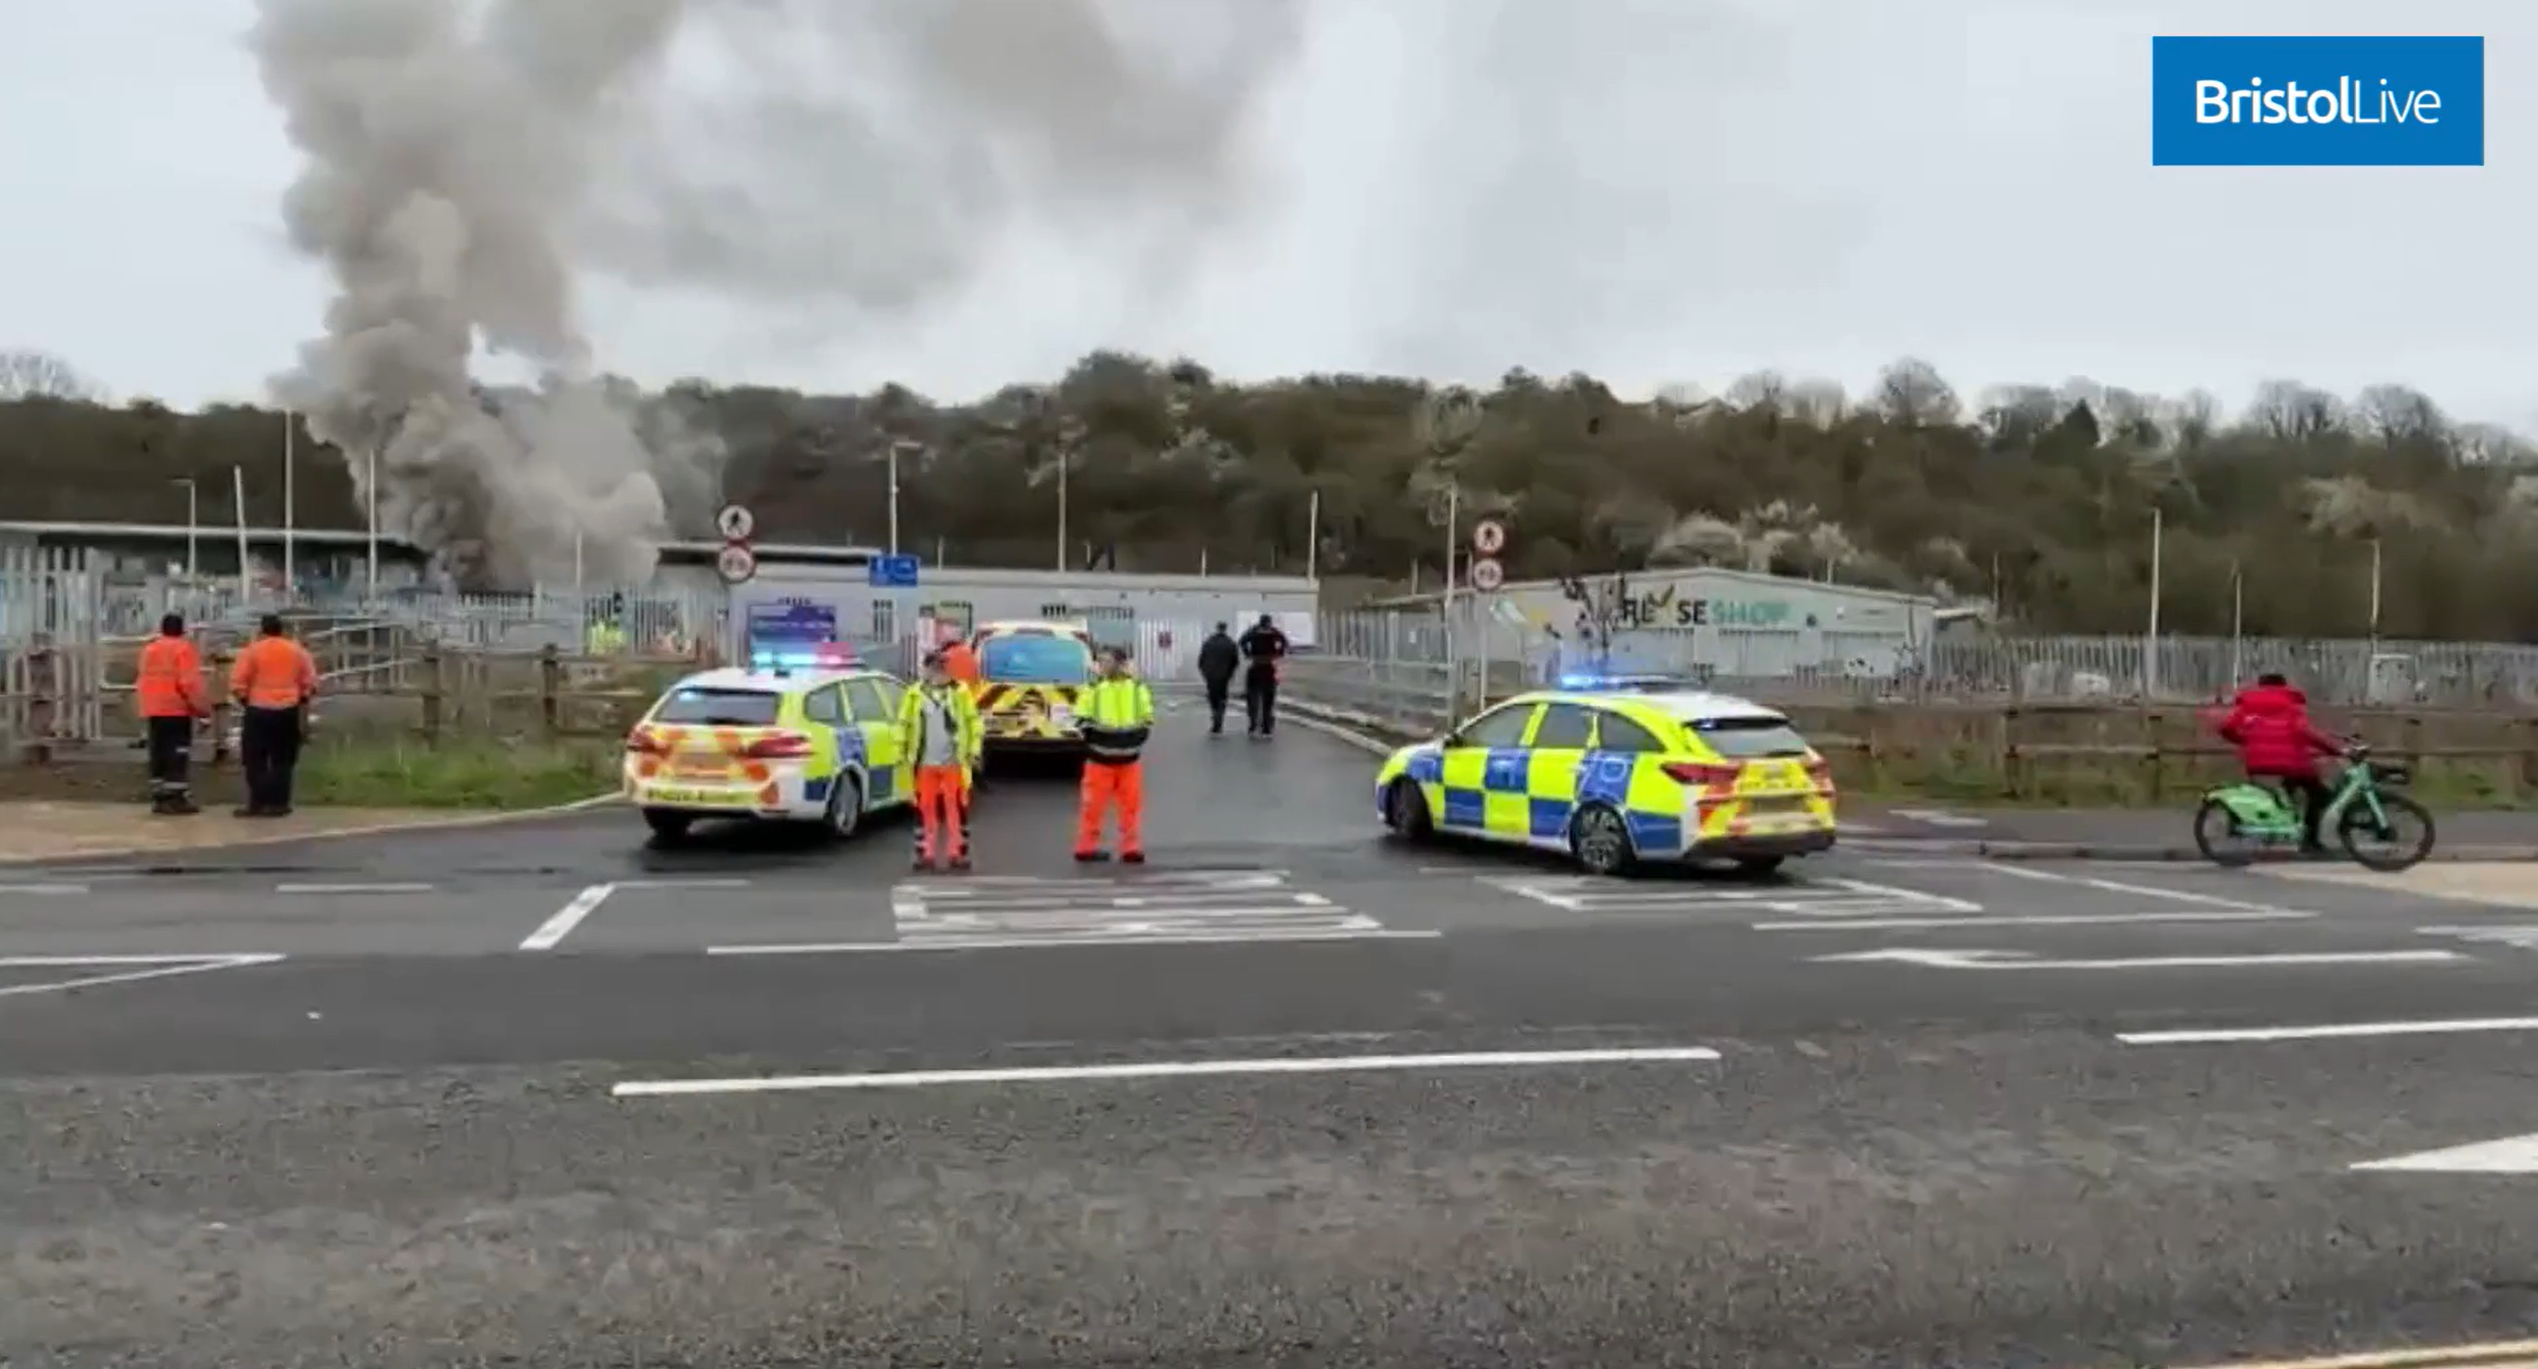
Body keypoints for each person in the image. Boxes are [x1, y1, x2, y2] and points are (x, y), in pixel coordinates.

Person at [2216, 671, 2345, 853]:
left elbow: (2225, 727)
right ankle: (2310, 839)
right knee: (2319, 794)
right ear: (2284, 685)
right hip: (2289, 763)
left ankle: (2276, 827)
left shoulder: (2249, 703)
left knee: (2275, 795)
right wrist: (2334, 749)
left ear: (2260, 685)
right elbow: (2306, 732)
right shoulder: (2291, 704)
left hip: (2256, 761)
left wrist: (2245, 740)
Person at [897, 648, 983, 871]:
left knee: (955, 808)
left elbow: (974, 722)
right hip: (924, 761)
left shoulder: (959, 692)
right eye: (934, 666)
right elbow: (903, 724)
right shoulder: (915, 694)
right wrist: (901, 750)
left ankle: (957, 853)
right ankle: (926, 852)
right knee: (926, 809)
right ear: (926, 669)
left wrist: (974, 750)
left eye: (942, 666)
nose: (938, 671)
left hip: (953, 761)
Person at [230, 613, 318, 818]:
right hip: (287, 710)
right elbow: (310, 681)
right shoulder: (297, 651)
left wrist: (245, 700)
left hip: (258, 709)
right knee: (283, 759)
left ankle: (257, 803)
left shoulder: (252, 652)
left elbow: (237, 681)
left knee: (255, 759)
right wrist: (302, 699)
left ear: (262, 630)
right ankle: (279, 803)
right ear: (282, 629)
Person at [1074, 646, 1155, 863]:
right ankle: (1086, 847)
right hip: (1100, 759)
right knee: (1093, 806)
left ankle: (1131, 847)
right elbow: (1081, 718)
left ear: (1120, 664)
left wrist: (1136, 735)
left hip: (1128, 760)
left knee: (1130, 807)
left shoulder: (1136, 688)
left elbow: (1147, 716)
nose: (1101, 665)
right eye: (1099, 661)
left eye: (1106, 661)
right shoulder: (1093, 688)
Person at [135, 612, 209, 815]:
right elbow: (188, 683)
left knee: (158, 752)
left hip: (152, 707)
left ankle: (159, 795)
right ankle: (175, 798)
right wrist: (202, 710)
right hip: (175, 708)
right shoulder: (184, 649)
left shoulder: (150, 649)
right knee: (177, 752)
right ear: (182, 630)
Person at [1236, 612, 1290, 738]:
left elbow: (1242, 641)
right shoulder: (1274, 632)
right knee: (1268, 700)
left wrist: (1248, 654)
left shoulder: (1253, 632)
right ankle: (1266, 728)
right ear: (1269, 622)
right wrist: (1278, 652)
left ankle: (1253, 725)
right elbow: (1284, 642)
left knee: (1252, 698)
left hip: (1255, 666)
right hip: (1269, 667)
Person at [1196, 622, 1240, 735]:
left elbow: (1201, 661)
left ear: (1217, 628)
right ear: (1225, 629)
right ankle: (1219, 719)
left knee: (1212, 697)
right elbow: (1235, 661)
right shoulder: (1230, 643)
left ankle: (1215, 717)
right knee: (1222, 697)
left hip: (1211, 675)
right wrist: (1230, 674)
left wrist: (1205, 674)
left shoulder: (1208, 642)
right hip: (1224, 676)